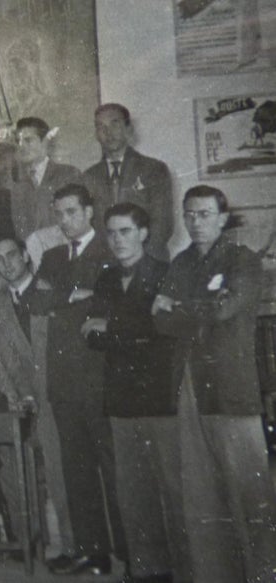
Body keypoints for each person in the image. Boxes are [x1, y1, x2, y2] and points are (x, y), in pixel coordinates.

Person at [154, 185, 276, 582]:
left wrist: (181, 308)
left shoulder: (242, 260)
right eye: (189, 214)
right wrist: (194, 307)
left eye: (204, 214)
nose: (195, 222)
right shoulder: (182, 261)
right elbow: (159, 318)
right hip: (189, 386)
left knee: (250, 496)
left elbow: (225, 309)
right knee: (201, 496)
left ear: (223, 217)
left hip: (230, 389)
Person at [84, 203, 182, 582]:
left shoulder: (165, 272)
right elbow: (92, 337)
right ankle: (147, 570)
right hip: (121, 400)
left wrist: (113, 325)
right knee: (133, 494)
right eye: (111, 233)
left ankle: (183, 568)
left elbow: (161, 331)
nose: (118, 240)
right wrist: (129, 327)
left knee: (172, 489)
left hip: (160, 399)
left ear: (143, 233)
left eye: (125, 231)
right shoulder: (107, 277)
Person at [29, 185, 123, 577]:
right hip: (64, 378)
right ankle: (92, 550)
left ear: (89, 211)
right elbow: (34, 302)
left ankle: (132, 553)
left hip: (100, 374)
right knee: (76, 467)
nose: (64, 220)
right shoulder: (51, 256)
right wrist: (73, 295)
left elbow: (107, 302)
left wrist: (60, 296)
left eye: (71, 212)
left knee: (114, 466)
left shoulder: (111, 249)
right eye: (59, 214)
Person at [0, 236, 73, 559]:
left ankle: (69, 545)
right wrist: (14, 397)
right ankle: (34, 542)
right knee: (21, 476)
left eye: (12, 256)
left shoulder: (50, 291)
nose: (6, 264)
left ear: (25, 256)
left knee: (61, 474)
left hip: (57, 398)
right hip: (23, 403)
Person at [83, 103, 174, 261]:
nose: (108, 132)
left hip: (148, 261)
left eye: (115, 123)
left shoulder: (154, 169)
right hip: (105, 266)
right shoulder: (89, 176)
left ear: (128, 129)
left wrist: (136, 262)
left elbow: (162, 225)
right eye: (100, 127)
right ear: (96, 134)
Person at [9, 117, 84, 241]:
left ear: (45, 142)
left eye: (28, 140)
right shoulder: (18, 186)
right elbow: (20, 231)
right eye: (18, 141)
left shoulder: (68, 174)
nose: (22, 146)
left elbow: (79, 221)